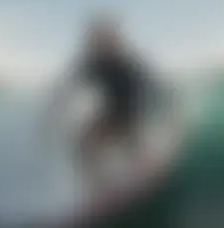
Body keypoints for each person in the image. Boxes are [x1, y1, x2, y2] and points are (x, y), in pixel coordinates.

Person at [50, 16, 172, 193]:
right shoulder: (92, 63)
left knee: (131, 145)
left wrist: (159, 113)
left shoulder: (129, 63)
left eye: (106, 38)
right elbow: (68, 87)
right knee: (82, 144)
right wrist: (54, 113)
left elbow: (153, 88)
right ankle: (99, 187)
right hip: (112, 113)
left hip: (133, 113)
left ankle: (148, 169)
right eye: (96, 40)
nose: (100, 44)